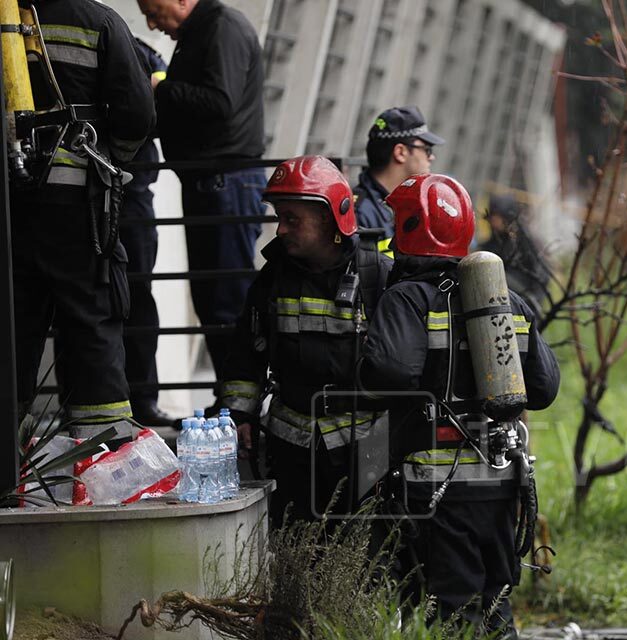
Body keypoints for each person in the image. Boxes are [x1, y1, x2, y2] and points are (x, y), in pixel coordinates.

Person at [358, 174, 560, 638]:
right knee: (496, 605)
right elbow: (545, 388)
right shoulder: (507, 302)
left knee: (452, 611)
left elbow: (389, 373)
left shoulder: (407, 299)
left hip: (437, 489)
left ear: (411, 228)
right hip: (501, 485)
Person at [219, 156, 392, 526]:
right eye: (279, 217)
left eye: (292, 219)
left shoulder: (377, 276)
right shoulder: (272, 278)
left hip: (367, 444)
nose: (281, 229)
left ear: (329, 217)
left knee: (366, 544)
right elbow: (246, 353)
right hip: (292, 445)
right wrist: (239, 415)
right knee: (293, 543)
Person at [13, 0, 154, 441]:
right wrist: (111, 159)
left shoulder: (7, 19)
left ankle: (10, 452)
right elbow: (137, 114)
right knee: (92, 314)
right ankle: (102, 448)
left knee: (14, 323)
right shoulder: (100, 23)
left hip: (11, 208)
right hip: (80, 206)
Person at [136, 0, 267, 384]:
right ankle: (231, 396)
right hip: (214, 184)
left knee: (225, 301)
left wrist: (161, 88)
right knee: (212, 301)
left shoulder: (221, 27)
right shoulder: (201, 31)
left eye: (153, 11)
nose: (152, 23)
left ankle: (241, 399)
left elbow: (219, 102)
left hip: (226, 183)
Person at [122, 39, 173, 427]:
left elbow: (163, 109)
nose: (153, 24)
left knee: (137, 298)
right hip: (114, 193)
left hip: (131, 193)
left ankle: (141, 399)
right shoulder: (128, 45)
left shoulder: (134, 49)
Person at [353, 106, 444, 236]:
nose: (432, 157)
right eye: (427, 150)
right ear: (400, 153)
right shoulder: (360, 214)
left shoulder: (403, 208)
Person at [479, 194, 551, 317]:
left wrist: (531, 303)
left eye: (497, 217)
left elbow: (541, 276)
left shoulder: (526, 243)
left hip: (523, 304)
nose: (493, 222)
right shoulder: (490, 245)